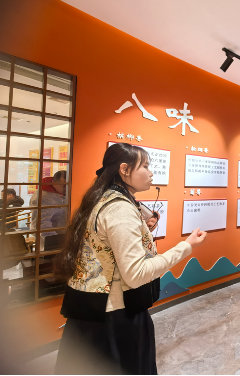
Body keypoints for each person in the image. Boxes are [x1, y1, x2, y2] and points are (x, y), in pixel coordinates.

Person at [54, 143, 208, 375]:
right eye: (145, 166)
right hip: (114, 317)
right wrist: (186, 246)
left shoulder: (103, 198)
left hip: (91, 310)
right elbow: (136, 274)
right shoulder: (120, 208)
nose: (151, 173)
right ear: (124, 169)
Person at [30, 171, 68, 246]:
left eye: (69, 185)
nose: (67, 188)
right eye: (64, 186)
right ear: (53, 182)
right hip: (50, 240)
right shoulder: (43, 197)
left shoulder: (61, 193)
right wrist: (55, 241)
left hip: (63, 236)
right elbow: (41, 223)